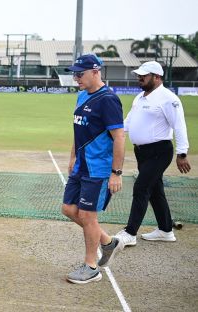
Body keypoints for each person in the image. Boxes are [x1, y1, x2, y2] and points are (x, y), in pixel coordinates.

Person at [61, 54, 125, 284]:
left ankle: (91, 267)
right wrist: (72, 157)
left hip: (98, 169)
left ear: (96, 72)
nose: (76, 78)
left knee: (88, 216)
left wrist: (116, 173)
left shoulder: (108, 100)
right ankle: (108, 242)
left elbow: (119, 137)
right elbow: (79, 132)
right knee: (69, 209)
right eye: (75, 74)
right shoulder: (81, 95)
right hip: (81, 165)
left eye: (80, 73)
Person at [114, 61, 191, 246]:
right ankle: (165, 230)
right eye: (139, 75)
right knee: (156, 191)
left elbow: (179, 125)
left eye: (144, 75)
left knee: (141, 187)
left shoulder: (168, 98)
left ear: (157, 77)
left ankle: (130, 233)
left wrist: (182, 153)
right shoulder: (140, 97)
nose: (139, 78)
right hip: (142, 152)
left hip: (159, 151)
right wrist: (112, 132)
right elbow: (129, 122)